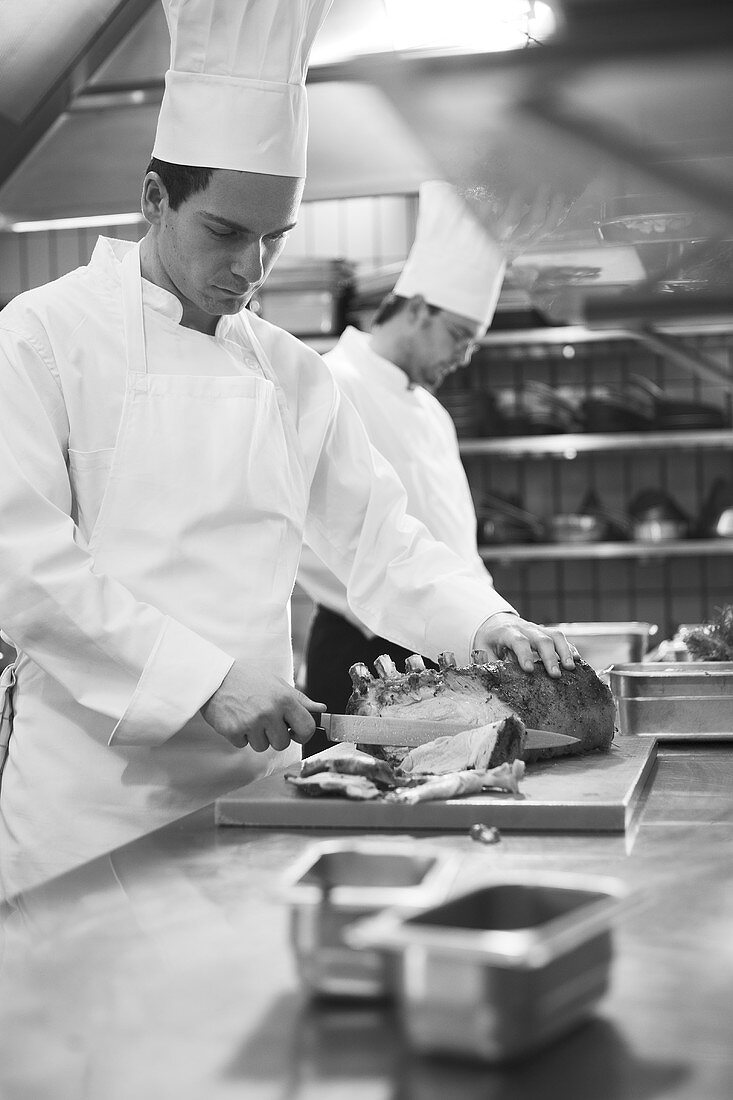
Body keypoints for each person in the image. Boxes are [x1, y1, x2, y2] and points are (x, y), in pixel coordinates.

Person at [0, 0, 574, 899]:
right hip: (87, 807)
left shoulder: (288, 371)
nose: (250, 268)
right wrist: (200, 679)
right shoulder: (42, 336)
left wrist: (484, 622)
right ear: (155, 198)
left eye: (276, 239)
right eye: (225, 232)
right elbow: (22, 561)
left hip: (251, 791)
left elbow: (378, 541)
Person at [297, 179, 506, 738]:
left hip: (451, 645)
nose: (462, 359)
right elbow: (319, 541)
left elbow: (456, 543)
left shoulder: (433, 412)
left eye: (472, 346)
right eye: (459, 337)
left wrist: (490, 620)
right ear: (417, 309)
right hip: (362, 650)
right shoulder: (330, 381)